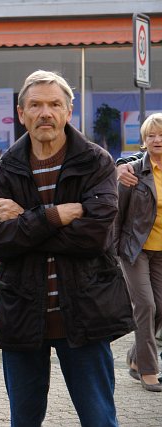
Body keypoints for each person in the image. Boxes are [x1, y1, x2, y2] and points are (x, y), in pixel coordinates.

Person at [0, 70, 135, 427]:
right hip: (23, 312)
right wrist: (54, 216)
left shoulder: (96, 162)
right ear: (21, 113)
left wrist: (23, 221)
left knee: (99, 419)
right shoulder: (5, 169)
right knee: (24, 420)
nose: (45, 112)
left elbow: (94, 237)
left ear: (68, 111)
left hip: (85, 312)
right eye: (35, 105)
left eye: (54, 104)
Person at [115, 112, 162, 392]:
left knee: (160, 307)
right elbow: (117, 212)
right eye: (151, 135)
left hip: (161, 252)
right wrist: (114, 249)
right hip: (135, 249)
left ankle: (135, 358)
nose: (157, 139)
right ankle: (148, 371)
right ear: (144, 140)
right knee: (145, 305)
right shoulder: (132, 172)